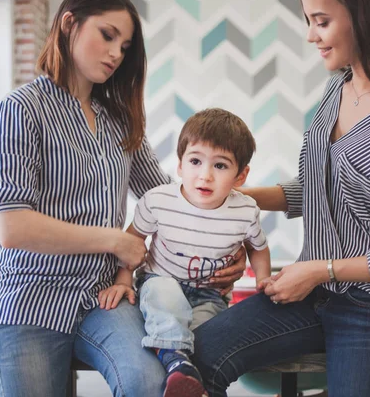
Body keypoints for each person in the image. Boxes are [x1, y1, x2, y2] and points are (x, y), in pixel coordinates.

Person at [191, 0, 370, 396]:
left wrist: (318, 270)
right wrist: (233, 196)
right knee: (197, 355)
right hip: (313, 295)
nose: (311, 35)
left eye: (321, 21)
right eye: (309, 21)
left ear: (363, 17)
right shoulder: (335, 92)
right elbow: (318, 189)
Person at [0, 0, 245, 396]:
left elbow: (174, 197)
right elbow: (12, 227)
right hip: (28, 299)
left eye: (124, 48)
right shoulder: (20, 110)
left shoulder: (120, 122)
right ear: (69, 23)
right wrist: (114, 240)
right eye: (108, 36)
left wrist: (228, 235)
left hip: (103, 297)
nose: (115, 55)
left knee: (151, 383)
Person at [97, 108, 272, 397]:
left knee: (206, 344)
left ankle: (188, 378)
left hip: (210, 294)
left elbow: (258, 247)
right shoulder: (158, 201)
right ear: (180, 165)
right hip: (161, 281)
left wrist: (263, 280)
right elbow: (134, 240)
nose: (205, 176)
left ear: (241, 175)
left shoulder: (245, 210)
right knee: (165, 301)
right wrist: (124, 279)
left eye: (220, 166)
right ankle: (176, 360)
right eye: (195, 161)